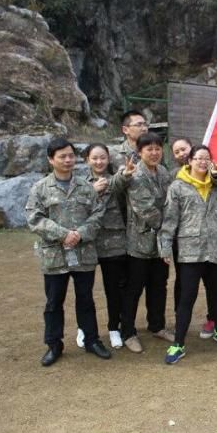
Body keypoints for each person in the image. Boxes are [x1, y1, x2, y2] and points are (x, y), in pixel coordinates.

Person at [25, 137, 111, 366]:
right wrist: (63, 234)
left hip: (83, 253)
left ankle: (92, 340)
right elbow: (34, 218)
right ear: (51, 159)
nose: (67, 160)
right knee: (54, 302)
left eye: (71, 155)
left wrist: (80, 233)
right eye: (62, 156)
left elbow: (98, 214)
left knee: (86, 299)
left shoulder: (85, 187)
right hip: (55, 255)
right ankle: (54, 345)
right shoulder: (40, 188)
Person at [158, 145, 217, 364]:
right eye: (199, 158)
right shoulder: (178, 187)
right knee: (187, 296)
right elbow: (170, 219)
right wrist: (165, 246)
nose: (203, 162)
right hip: (190, 251)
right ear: (190, 161)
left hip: (216, 249)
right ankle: (178, 343)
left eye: (207, 158)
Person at [119, 132, 174, 353]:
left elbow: (171, 201)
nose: (154, 153)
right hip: (139, 243)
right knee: (134, 289)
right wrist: (171, 224)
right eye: (149, 149)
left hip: (160, 244)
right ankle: (128, 332)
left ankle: (157, 325)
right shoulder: (136, 174)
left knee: (159, 286)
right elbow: (145, 209)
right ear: (140, 152)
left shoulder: (163, 172)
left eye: (157, 148)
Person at [82, 143, 136, 349]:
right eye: (94, 158)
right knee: (83, 290)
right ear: (87, 159)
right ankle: (84, 328)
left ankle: (114, 327)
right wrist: (91, 191)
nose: (99, 162)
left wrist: (126, 173)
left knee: (114, 289)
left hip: (114, 242)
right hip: (87, 241)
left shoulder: (115, 178)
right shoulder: (79, 183)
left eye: (103, 157)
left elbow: (119, 181)